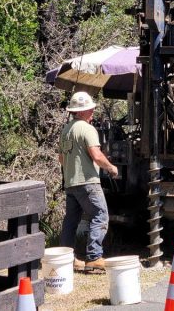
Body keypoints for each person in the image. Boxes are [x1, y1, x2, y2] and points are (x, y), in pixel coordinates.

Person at [58, 91, 119, 272]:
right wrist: (111, 167)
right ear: (82, 111)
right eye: (90, 109)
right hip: (88, 182)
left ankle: (66, 258)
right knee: (100, 215)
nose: (92, 111)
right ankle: (93, 257)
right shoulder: (87, 129)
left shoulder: (66, 130)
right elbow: (96, 155)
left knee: (71, 221)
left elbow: (61, 159)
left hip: (71, 183)